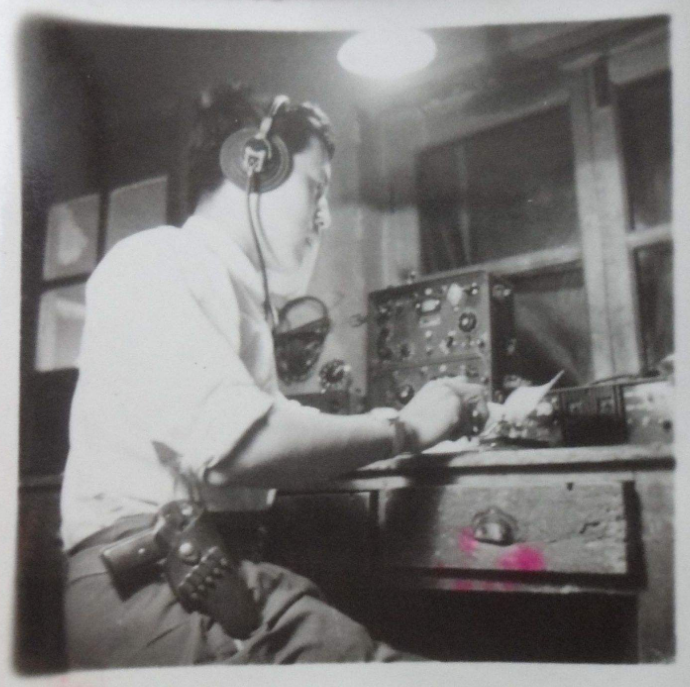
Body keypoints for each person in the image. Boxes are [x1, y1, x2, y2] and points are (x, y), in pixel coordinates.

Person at [60, 85, 488, 668]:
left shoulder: (226, 290)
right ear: (253, 161)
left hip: (202, 578)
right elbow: (241, 446)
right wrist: (405, 430)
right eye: (316, 187)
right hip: (155, 593)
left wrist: (399, 419)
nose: (325, 216)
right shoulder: (158, 260)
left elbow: (272, 420)